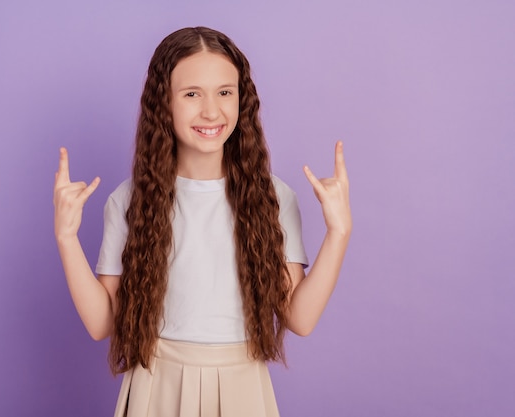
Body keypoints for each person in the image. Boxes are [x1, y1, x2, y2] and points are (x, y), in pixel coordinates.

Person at [53, 26, 351, 417]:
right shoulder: (129, 200)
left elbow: (300, 317)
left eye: (225, 92)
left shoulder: (273, 198)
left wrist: (338, 232)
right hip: (156, 387)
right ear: (165, 103)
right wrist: (67, 237)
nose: (211, 111)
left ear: (241, 101)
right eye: (192, 94)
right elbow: (101, 323)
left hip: (242, 387)